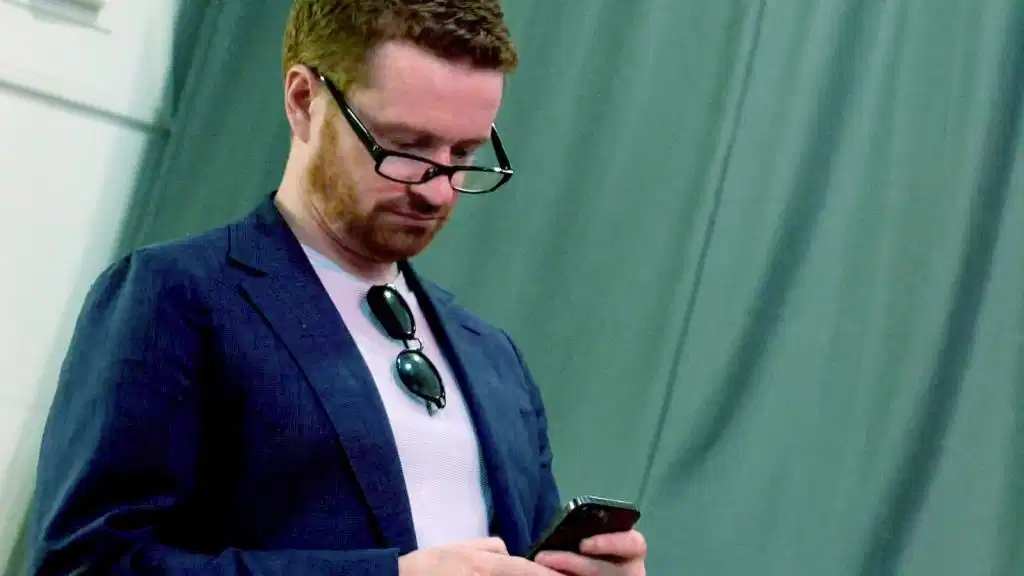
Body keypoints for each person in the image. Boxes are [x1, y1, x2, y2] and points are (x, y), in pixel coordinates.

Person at [28, 1, 648, 574]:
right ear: (303, 100)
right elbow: (86, 565)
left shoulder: (494, 357)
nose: (438, 190)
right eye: (405, 146)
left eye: (464, 153)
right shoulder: (178, 298)